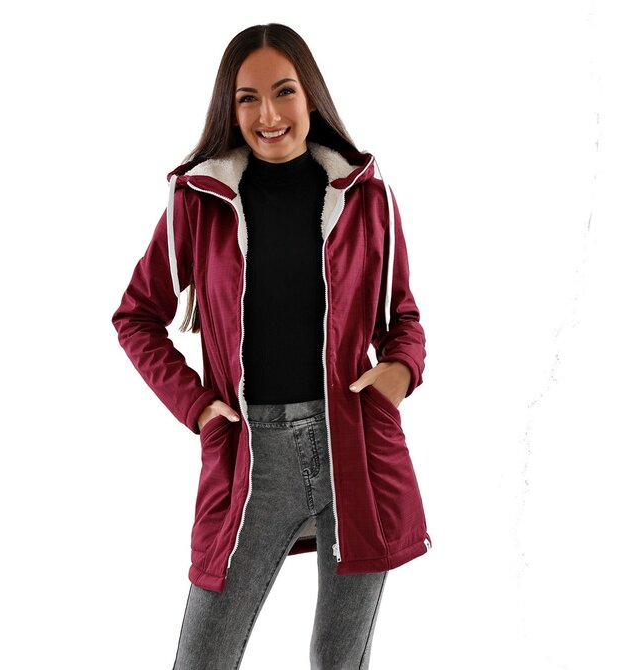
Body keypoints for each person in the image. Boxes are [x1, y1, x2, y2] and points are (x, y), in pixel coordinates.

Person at [112, 22, 431, 670]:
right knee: (203, 659)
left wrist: (399, 371)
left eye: (283, 91)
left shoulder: (366, 198)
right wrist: (198, 407)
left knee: (339, 660)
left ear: (310, 96)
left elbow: (402, 318)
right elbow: (136, 316)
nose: (268, 114)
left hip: (354, 449)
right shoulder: (199, 202)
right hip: (250, 458)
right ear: (229, 111)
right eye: (247, 98)